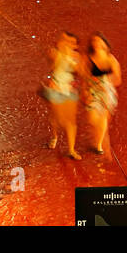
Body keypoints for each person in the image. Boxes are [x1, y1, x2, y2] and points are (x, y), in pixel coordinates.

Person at [39, 32, 82, 160]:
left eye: (72, 42)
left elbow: (78, 71)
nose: (69, 44)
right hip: (55, 89)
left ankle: (71, 149)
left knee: (71, 121)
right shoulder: (55, 53)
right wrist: (63, 54)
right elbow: (52, 61)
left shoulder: (76, 56)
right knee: (57, 118)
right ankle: (55, 135)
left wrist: (74, 61)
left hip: (69, 90)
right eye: (66, 41)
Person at [83, 33, 121, 156]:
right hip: (93, 91)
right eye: (94, 41)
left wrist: (106, 82)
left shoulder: (111, 59)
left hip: (106, 91)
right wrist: (86, 91)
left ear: (105, 44)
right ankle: (100, 134)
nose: (97, 44)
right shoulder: (89, 58)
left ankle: (99, 144)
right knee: (92, 119)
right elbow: (86, 76)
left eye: (100, 41)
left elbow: (117, 78)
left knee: (103, 117)